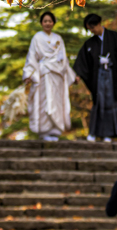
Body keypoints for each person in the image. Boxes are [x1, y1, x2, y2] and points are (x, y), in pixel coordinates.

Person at [72, 13, 117, 142]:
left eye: (93, 28)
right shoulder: (89, 43)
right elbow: (82, 62)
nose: (92, 31)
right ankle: (94, 133)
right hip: (98, 77)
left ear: (99, 24)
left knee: (111, 103)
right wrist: (78, 75)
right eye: (90, 29)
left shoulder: (114, 37)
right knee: (99, 103)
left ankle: (109, 134)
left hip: (112, 76)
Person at [23, 11, 77, 141]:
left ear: (53, 23)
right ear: (41, 23)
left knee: (57, 101)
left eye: (50, 21)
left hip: (57, 74)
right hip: (44, 73)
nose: (47, 23)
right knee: (44, 101)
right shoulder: (37, 38)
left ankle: (55, 130)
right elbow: (32, 57)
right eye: (45, 21)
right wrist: (29, 74)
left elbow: (64, 59)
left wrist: (72, 75)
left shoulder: (58, 38)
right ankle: (44, 131)